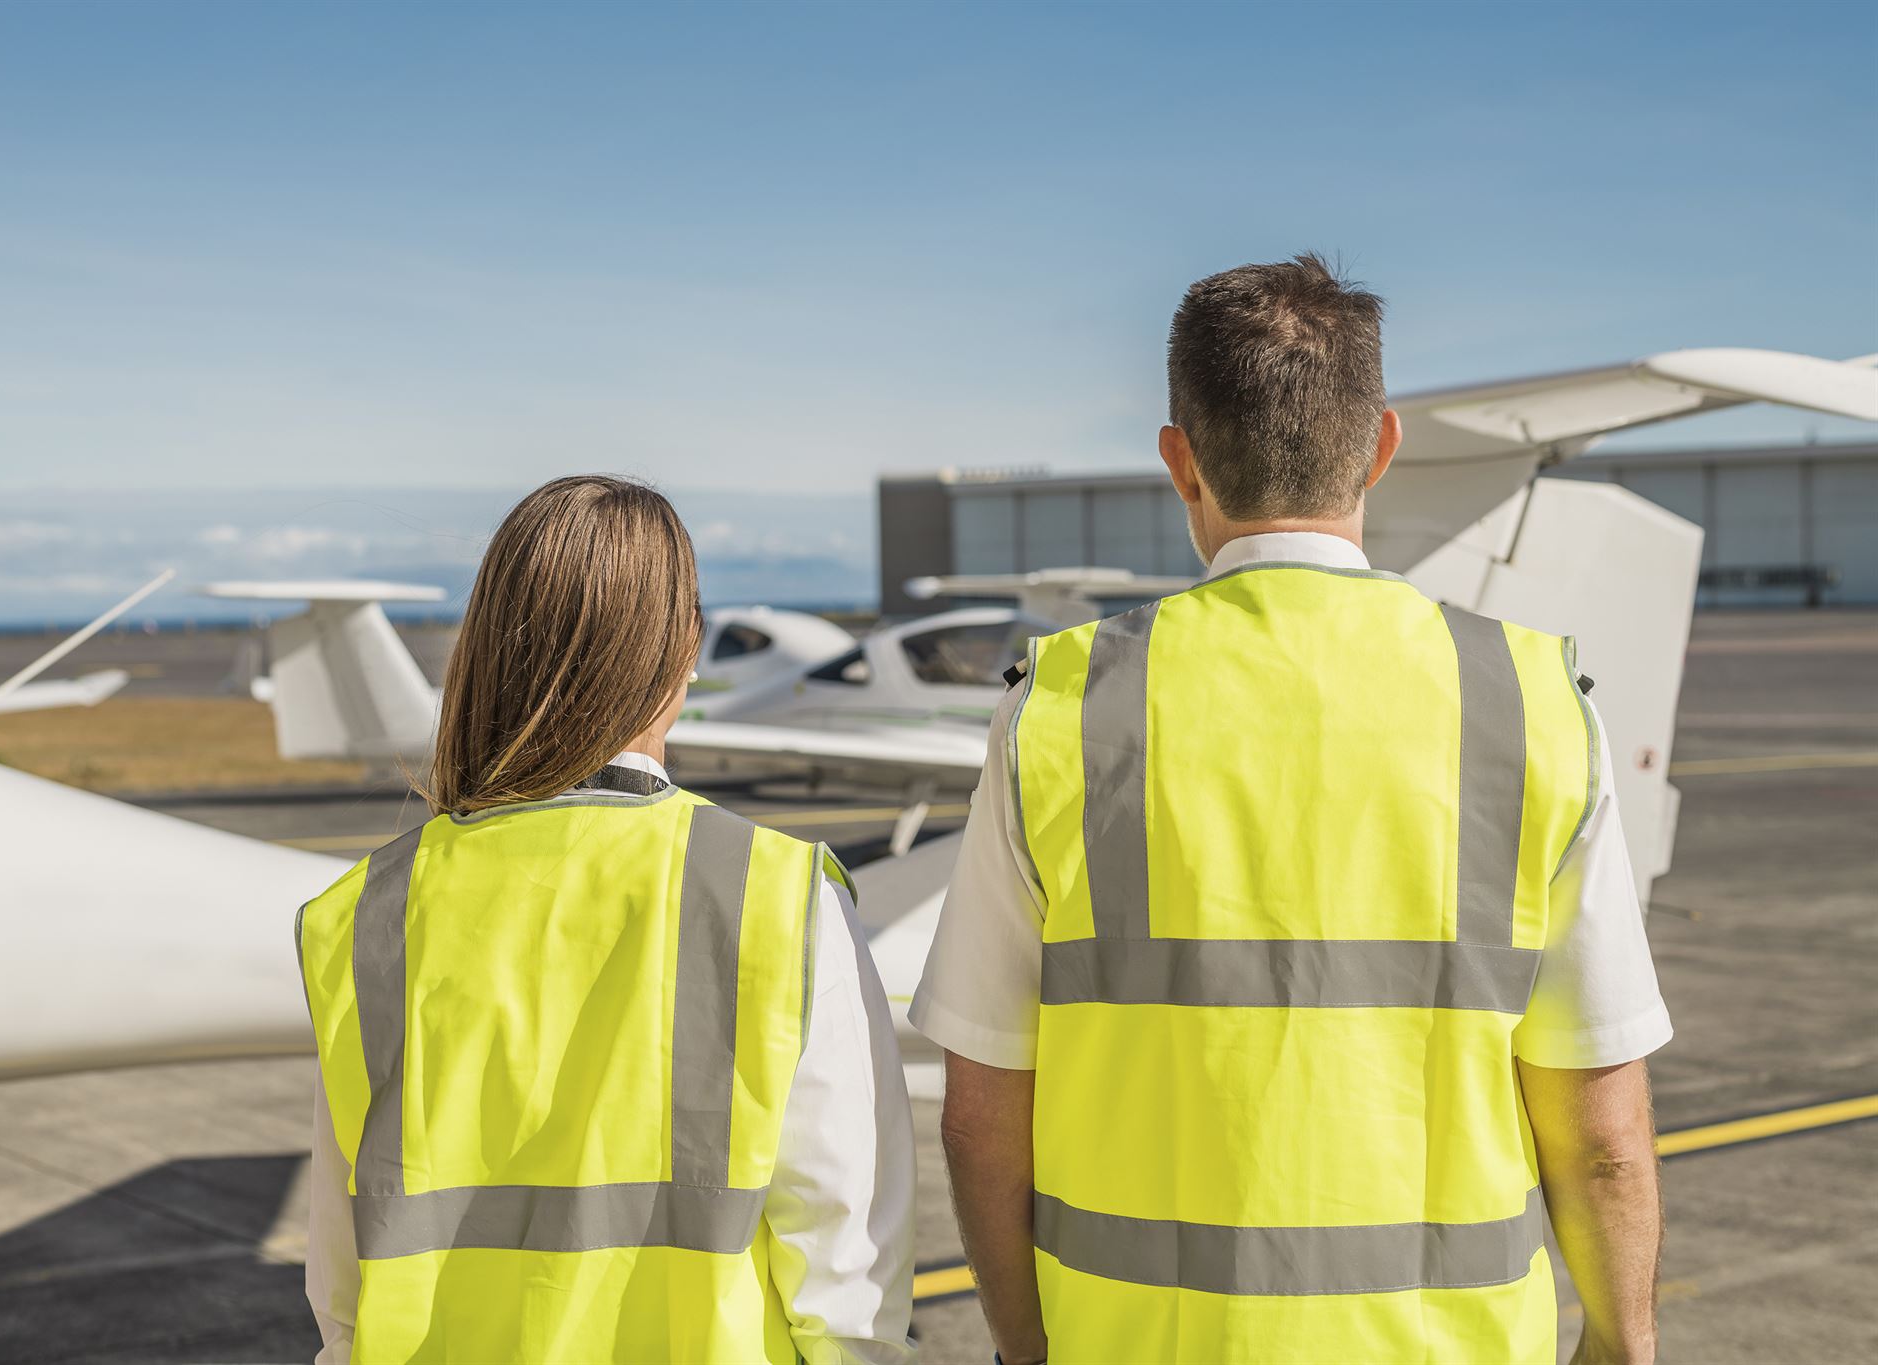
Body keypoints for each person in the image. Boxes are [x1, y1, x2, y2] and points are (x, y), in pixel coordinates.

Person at [912, 255, 1669, 1365]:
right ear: (1379, 446)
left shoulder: (1061, 708)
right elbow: (1601, 1134)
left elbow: (979, 1113)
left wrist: (1029, 1348)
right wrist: (1620, 1342)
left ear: (1178, 460)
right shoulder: (1529, 704)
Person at [299, 476, 917, 1363]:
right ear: (685, 650)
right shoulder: (774, 892)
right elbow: (848, 1288)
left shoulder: (369, 913)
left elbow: (343, 1297)